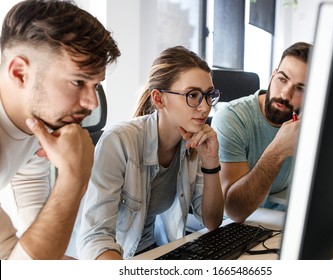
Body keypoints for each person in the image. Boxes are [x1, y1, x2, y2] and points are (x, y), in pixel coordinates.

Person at [77, 46, 224, 260]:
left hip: (155, 252)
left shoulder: (193, 142)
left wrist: (211, 162)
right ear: (158, 99)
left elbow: (212, 221)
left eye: (209, 95)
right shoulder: (119, 141)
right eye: (193, 95)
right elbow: (95, 239)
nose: (205, 107)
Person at [0, 0, 120, 259]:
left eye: (95, 85)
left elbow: (26, 254)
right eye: (78, 82)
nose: (92, 103)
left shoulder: (35, 121)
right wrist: (74, 177)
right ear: (20, 73)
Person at [211, 42, 312, 223]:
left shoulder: (309, 123)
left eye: (300, 88)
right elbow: (234, 210)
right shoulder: (231, 119)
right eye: (282, 79)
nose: (285, 94)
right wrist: (278, 150)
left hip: (281, 221)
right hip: (237, 227)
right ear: (273, 75)